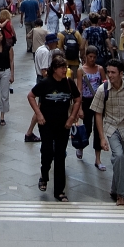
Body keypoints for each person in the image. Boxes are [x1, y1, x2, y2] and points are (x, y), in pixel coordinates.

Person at [91, 59, 124, 206]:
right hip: (111, 128)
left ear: (121, 74)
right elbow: (98, 113)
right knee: (119, 156)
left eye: (113, 72)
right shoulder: (102, 90)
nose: (110, 75)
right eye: (108, 72)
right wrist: (102, 138)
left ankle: (114, 189)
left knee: (120, 161)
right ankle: (121, 195)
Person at [28, 55, 81, 202]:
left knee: (60, 155)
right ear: (54, 69)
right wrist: (38, 114)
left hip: (63, 124)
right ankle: (44, 175)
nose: (65, 70)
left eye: (65, 67)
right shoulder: (45, 83)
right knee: (47, 151)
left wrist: (72, 117)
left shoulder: (69, 83)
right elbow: (31, 96)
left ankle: (59, 190)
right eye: (62, 68)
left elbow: (77, 99)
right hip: (46, 124)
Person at [75, 46, 107, 169]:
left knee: (99, 130)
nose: (92, 59)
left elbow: (104, 84)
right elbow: (79, 89)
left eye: (94, 57)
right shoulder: (81, 70)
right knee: (87, 128)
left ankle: (98, 159)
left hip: (98, 101)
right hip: (86, 102)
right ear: (86, 56)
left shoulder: (100, 69)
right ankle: (81, 145)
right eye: (90, 57)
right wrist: (80, 108)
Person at [24, 32, 58, 143]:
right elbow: (44, 71)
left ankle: (29, 132)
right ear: (51, 43)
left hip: (40, 79)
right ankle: (29, 132)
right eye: (56, 41)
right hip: (43, 80)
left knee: (40, 107)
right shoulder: (45, 52)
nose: (57, 43)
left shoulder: (40, 49)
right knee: (39, 107)